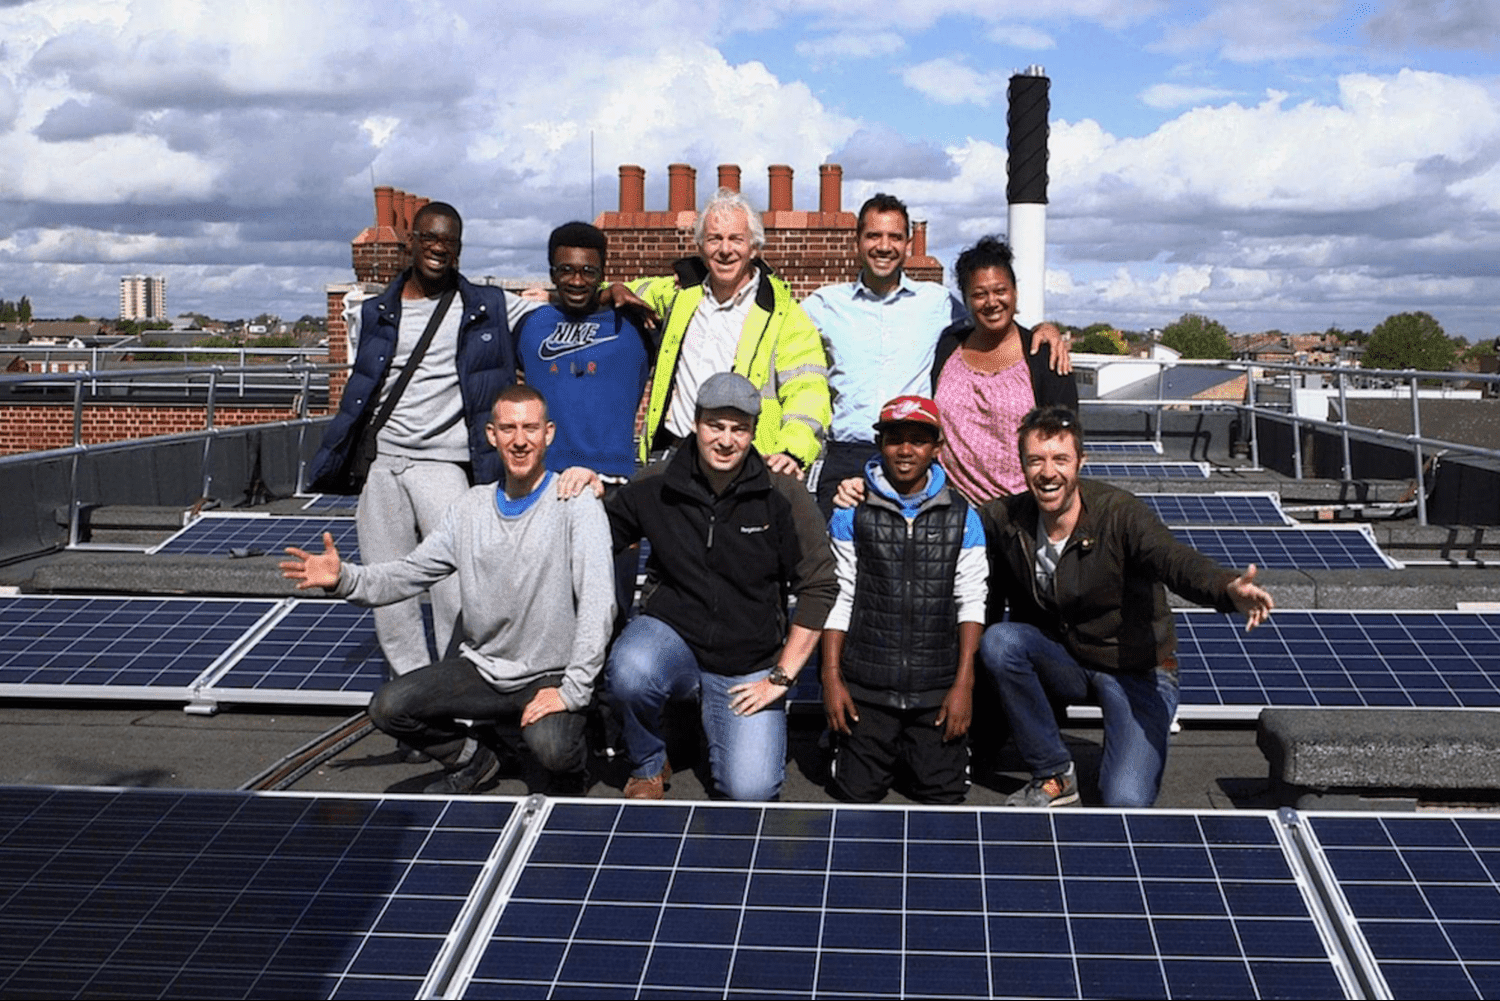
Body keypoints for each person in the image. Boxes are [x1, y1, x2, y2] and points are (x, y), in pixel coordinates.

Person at [283, 385, 615, 795]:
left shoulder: (574, 502)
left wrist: (574, 691)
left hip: (549, 672)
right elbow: (410, 573)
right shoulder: (470, 508)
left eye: (530, 428)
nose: (520, 440)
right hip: (483, 669)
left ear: (549, 434)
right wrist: (345, 578)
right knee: (388, 708)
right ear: (491, 435)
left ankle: (571, 765)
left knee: (552, 750)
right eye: (508, 428)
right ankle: (476, 757)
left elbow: (599, 604)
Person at [978, 405, 1274, 808]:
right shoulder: (1008, 518)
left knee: (1125, 802)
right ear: (1023, 465)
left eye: (1060, 459)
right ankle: (1053, 773)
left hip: (1135, 670)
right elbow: (951, 523)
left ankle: (1137, 735)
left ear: (1081, 462)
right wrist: (865, 492)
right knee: (1001, 642)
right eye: (1036, 460)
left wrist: (1225, 589)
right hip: (1069, 660)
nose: (1048, 472)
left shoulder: (1120, 515)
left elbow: (1172, 558)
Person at [307, 201, 522, 682]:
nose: (438, 248)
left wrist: (616, 292)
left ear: (459, 249)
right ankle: (412, 699)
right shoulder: (376, 311)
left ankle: (451, 691)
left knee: (455, 587)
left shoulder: (486, 307)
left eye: (449, 241)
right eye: (429, 238)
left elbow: (556, 318)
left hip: (444, 467)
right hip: (382, 466)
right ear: (412, 243)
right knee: (389, 594)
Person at [606, 372, 837, 801]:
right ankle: (648, 763)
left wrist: (781, 679)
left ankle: (695, 719)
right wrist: (580, 484)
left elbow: (819, 585)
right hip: (672, 638)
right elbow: (595, 538)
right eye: (716, 425)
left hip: (746, 660)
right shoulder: (654, 485)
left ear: (753, 432)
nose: (726, 440)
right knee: (631, 670)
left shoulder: (782, 493)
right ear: (696, 423)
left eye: (739, 429)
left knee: (751, 790)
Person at [803, 194, 1071, 515]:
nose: (884, 246)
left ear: (907, 243)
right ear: (857, 241)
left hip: (913, 458)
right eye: (874, 235)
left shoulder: (939, 303)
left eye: (895, 237)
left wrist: (1044, 328)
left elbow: (992, 317)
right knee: (839, 559)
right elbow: (778, 348)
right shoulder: (823, 305)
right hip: (847, 457)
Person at [821, 395, 987, 804]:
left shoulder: (964, 516)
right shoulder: (850, 513)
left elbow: (971, 599)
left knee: (942, 793)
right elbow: (839, 596)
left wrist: (963, 682)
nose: (906, 450)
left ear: (936, 447)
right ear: (881, 445)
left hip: (935, 686)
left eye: (918, 439)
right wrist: (831, 677)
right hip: (868, 685)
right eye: (895, 439)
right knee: (856, 792)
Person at [630, 188, 830, 478]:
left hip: (747, 464)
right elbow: (618, 292)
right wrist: (558, 298)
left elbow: (808, 388)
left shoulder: (784, 313)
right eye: (715, 239)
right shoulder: (678, 295)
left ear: (754, 247)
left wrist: (792, 451)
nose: (725, 250)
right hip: (674, 456)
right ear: (700, 246)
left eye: (736, 239)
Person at [933, 235, 1078, 504]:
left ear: (1015, 293)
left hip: (1023, 514)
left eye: (1000, 290)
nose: (991, 302)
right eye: (979, 294)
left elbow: (1064, 445)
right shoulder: (946, 348)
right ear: (965, 300)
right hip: (953, 514)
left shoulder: (1044, 357)